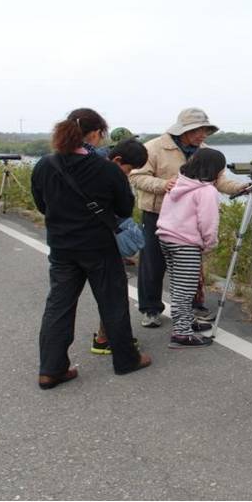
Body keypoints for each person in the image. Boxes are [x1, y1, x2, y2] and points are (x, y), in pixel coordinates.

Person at [31, 108, 151, 389]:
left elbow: (41, 205)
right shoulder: (106, 168)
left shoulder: (45, 165)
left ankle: (50, 369)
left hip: (61, 246)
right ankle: (125, 360)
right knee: (113, 302)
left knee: (58, 306)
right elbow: (123, 209)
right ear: (96, 134)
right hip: (99, 246)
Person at [129, 108, 247, 328]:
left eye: (206, 130)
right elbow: (137, 176)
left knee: (188, 267)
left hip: (189, 217)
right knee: (152, 263)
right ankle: (151, 309)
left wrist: (241, 187)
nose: (202, 135)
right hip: (157, 213)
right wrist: (163, 185)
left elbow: (219, 181)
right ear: (183, 130)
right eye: (198, 130)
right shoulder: (155, 148)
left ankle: (191, 308)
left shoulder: (206, 151)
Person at [156, 148, 227, 348]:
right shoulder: (207, 191)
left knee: (178, 285)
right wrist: (209, 244)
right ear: (214, 169)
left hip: (166, 237)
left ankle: (186, 322)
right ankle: (181, 333)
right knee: (185, 290)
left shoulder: (178, 183)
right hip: (186, 243)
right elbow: (208, 222)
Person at [90, 138, 149, 356]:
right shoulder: (110, 174)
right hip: (101, 241)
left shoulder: (82, 164)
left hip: (69, 241)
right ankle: (113, 342)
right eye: (130, 169)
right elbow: (124, 208)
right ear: (117, 159)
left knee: (63, 299)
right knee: (113, 291)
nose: (129, 173)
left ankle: (103, 338)